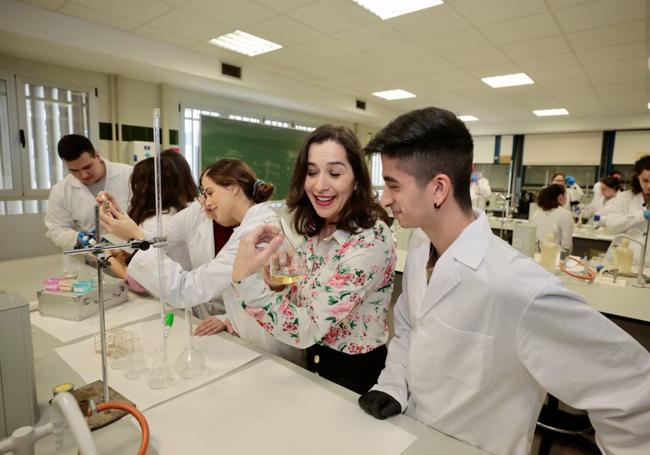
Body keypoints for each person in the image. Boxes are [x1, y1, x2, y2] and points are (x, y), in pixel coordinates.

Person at [357, 107, 650, 455]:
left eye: (393, 185)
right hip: (411, 436)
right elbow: (409, 328)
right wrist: (393, 385)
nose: (385, 199)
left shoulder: (517, 286)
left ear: (438, 189)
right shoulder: (422, 248)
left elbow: (633, 393)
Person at [231, 124, 395, 394]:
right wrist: (277, 284)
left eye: (334, 173)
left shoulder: (371, 240)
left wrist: (245, 280)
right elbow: (301, 299)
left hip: (354, 376)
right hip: (314, 362)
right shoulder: (318, 230)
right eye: (312, 172)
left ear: (356, 179)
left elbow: (307, 327)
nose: (320, 185)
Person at [101, 158, 302, 363]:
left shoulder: (255, 232)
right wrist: (127, 230)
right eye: (203, 195)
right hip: (260, 337)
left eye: (210, 192)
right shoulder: (254, 223)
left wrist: (133, 238)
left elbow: (186, 289)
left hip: (272, 348)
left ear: (233, 187)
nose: (205, 202)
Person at [101, 150, 197, 282]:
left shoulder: (159, 221)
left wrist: (104, 256)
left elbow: (138, 279)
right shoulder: (177, 213)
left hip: (162, 295)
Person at [45, 134, 132, 249]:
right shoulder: (61, 190)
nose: (83, 175)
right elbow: (56, 229)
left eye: (87, 167)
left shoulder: (130, 175)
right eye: (74, 170)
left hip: (132, 252)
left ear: (97, 156)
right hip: (91, 257)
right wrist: (76, 238)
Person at [603, 155, 650, 267]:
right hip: (619, 260)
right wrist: (640, 216)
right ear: (638, 177)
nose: (649, 186)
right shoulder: (624, 198)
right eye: (645, 180)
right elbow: (612, 226)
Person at [530, 184, 574, 252]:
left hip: (536, 255)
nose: (566, 198)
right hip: (554, 257)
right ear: (560, 197)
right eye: (565, 195)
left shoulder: (536, 214)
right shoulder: (565, 214)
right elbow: (566, 245)